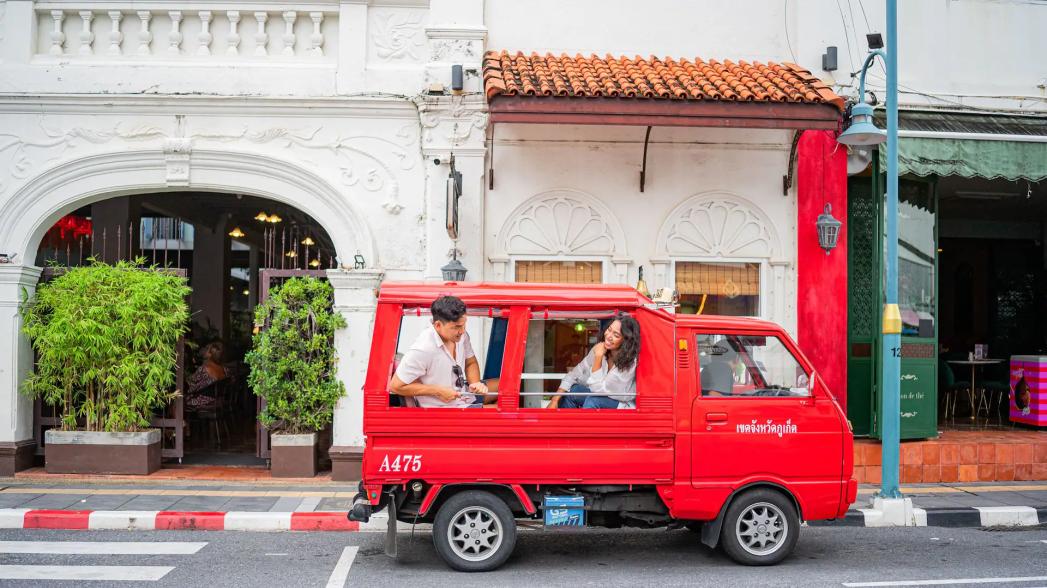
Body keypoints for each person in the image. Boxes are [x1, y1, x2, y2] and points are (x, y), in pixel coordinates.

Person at [389, 295, 494, 408]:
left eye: (464, 325)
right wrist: (438, 391)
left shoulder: (461, 336)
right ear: (438, 325)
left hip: (464, 394)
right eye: (457, 327)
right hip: (445, 408)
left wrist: (475, 383)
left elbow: (470, 362)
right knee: (503, 409)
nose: (462, 331)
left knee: (506, 386)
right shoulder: (423, 349)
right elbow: (395, 386)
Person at [547, 313, 640, 409]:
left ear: (625, 341)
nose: (609, 336)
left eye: (616, 335)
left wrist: (598, 357)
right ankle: (564, 419)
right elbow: (575, 374)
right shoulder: (599, 349)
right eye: (609, 330)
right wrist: (554, 400)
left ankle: (583, 420)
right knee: (573, 391)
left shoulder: (630, 362)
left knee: (593, 400)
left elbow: (598, 391)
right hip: (598, 396)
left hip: (620, 404)